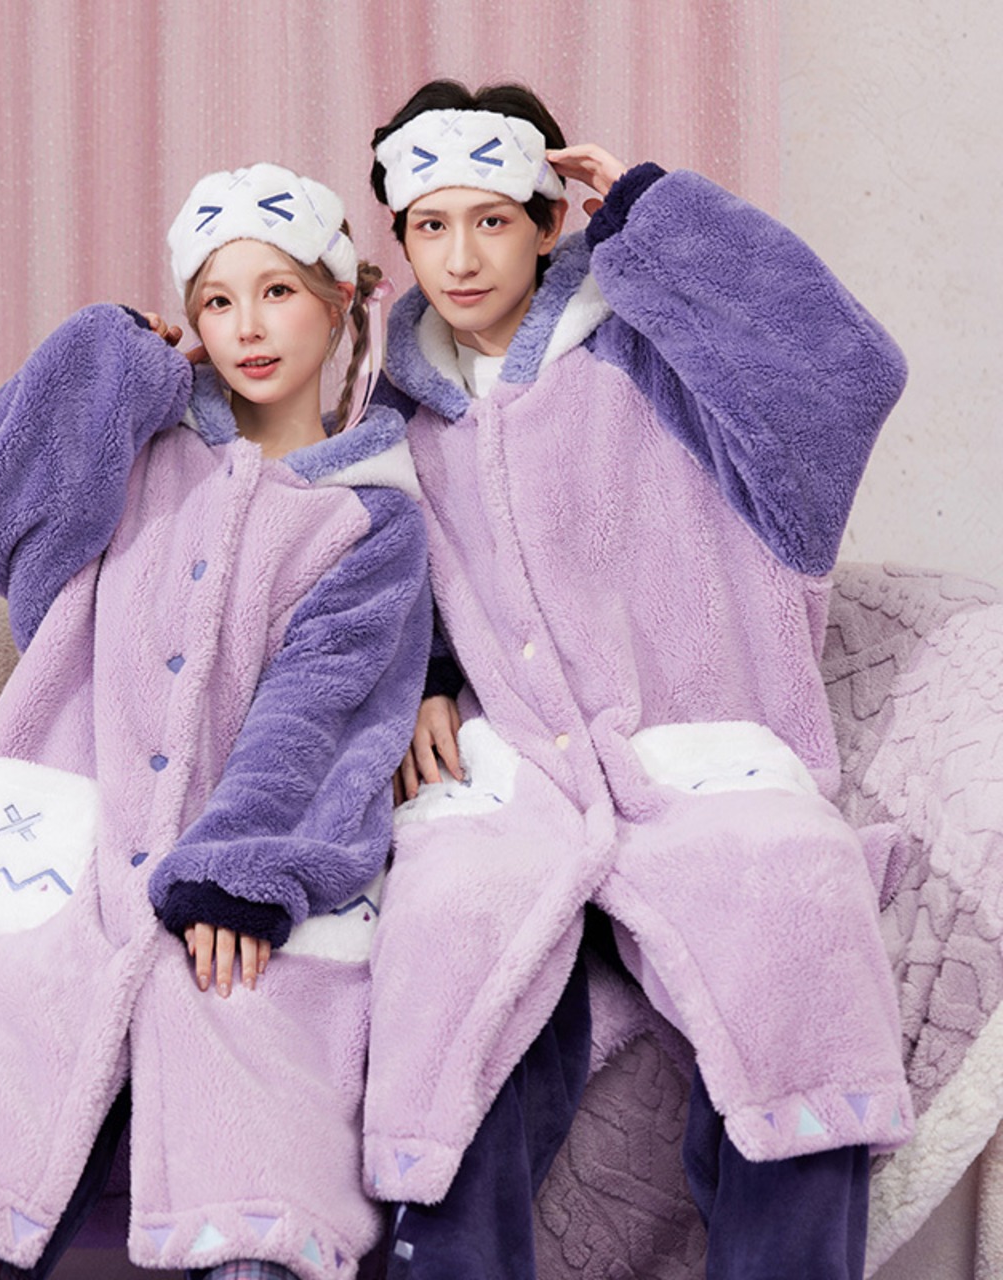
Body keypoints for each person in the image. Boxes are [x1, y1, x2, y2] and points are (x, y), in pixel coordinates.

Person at [360, 79, 912, 1279]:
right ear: (398, 237)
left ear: (547, 222)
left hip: (698, 743)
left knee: (789, 902)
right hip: (511, 765)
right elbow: (359, 573)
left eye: (491, 221)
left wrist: (663, 221)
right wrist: (422, 679)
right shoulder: (395, 408)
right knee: (454, 932)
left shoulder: (659, 354)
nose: (460, 257)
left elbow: (844, 375)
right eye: (430, 226)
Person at [0, 162, 431, 1280]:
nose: (246, 327)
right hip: (69, 807)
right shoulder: (131, 458)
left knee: (246, 1023)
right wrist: (107, 353)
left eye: (277, 292)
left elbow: (333, 706)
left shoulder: (372, 511)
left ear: (339, 302)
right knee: (7, 1002)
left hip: (248, 836)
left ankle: (251, 1255)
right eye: (217, 300)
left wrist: (245, 862)